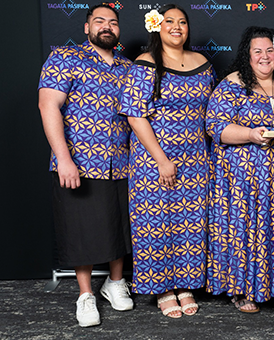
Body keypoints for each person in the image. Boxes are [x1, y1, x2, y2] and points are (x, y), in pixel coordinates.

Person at [38, 3, 133, 327]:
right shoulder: (65, 58)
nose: (107, 26)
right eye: (99, 21)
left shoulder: (129, 67)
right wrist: (64, 158)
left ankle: (115, 283)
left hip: (122, 162)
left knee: (120, 226)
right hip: (79, 161)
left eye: (113, 22)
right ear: (86, 27)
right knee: (81, 231)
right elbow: (48, 104)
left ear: (118, 30)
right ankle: (85, 295)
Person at [117, 4, 214, 318]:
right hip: (154, 160)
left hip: (197, 160)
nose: (177, 27)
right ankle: (162, 288)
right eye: (169, 21)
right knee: (156, 225)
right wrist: (161, 159)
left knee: (191, 223)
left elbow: (213, 112)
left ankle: (185, 283)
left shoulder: (203, 63)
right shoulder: (145, 64)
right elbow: (135, 114)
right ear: (157, 27)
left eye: (182, 22)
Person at [206, 26, 274, 313]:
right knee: (245, 230)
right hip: (242, 177)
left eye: (270, 50)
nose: (264, 56)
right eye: (257, 51)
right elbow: (215, 127)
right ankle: (241, 289)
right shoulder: (232, 84)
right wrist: (251, 134)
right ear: (247, 56)